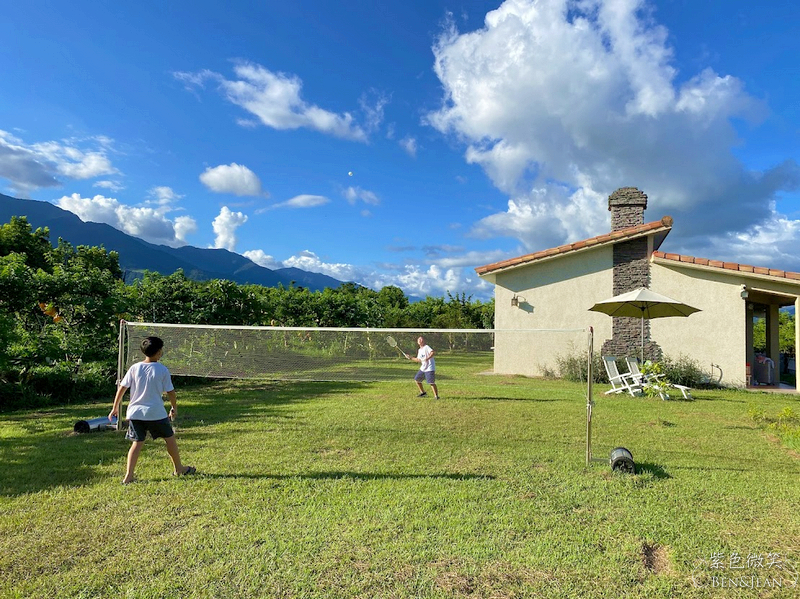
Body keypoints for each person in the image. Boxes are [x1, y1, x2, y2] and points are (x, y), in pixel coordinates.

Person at [109, 336, 196, 484]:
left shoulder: (134, 368)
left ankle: (128, 477)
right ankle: (179, 469)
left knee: (137, 443)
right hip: (155, 413)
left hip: (135, 413)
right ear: (159, 352)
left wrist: (114, 408)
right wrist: (174, 407)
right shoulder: (162, 369)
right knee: (170, 439)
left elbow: (122, 388)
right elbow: (171, 392)